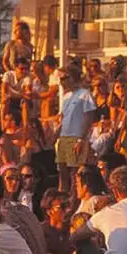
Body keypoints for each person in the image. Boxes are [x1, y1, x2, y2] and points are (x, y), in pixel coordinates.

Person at [55, 62, 97, 192]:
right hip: (63, 137)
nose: (61, 82)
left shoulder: (84, 94)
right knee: (62, 173)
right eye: (60, 79)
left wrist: (81, 139)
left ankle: (74, 201)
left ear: (72, 77)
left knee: (75, 175)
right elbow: (63, 118)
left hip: (76, 138)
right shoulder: (66, 96)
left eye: (64, 78)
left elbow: (89, 118)